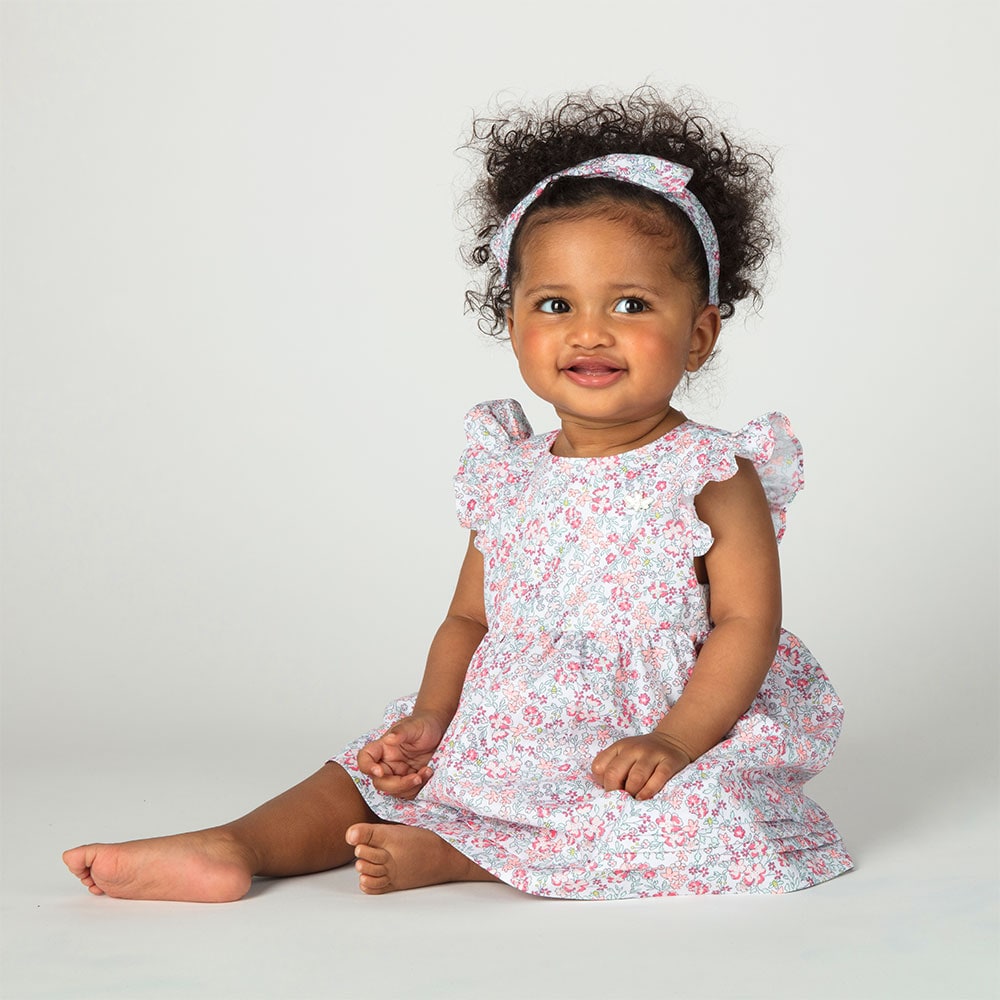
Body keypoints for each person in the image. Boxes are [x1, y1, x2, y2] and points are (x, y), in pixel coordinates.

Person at [63, 88, 853, 902]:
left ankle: (460, 855)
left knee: (702, 816)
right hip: (504, 726)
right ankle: (236, 843)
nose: (589, 330)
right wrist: (432, 719)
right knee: (365, 772)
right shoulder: (510, 472)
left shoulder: (711, 473)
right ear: (512, 325)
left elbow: (746, 624)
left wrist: (675, 741)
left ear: (699, 334)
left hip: (640, 733)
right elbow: (471, 619)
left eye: (632, 304)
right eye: (555, 304)